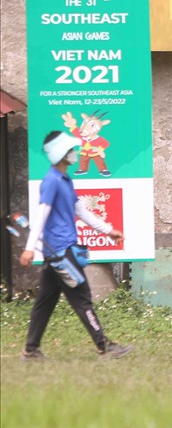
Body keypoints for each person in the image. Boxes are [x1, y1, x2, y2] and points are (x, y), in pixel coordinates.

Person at [18, 131, 133, 361]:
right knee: (82, 299)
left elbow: (80, 209)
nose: (75, 153)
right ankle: (104, 347)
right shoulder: (51, 181)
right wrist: (29, 248)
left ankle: (31, 351)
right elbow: (41, 216)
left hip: (58, 253)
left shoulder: (65, 180)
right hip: (61, 253)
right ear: (60, 153)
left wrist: (108, 230)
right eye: (71, 150)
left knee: (45, 301)